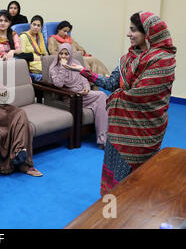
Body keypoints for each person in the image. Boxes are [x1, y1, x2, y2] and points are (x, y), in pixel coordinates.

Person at [64, 12, 176, 195]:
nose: (128, 34)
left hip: (144, 128)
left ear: (147, 33)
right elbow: (111, 83)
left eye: (133, 30)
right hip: (119, 128)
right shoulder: (128, 59)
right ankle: (112, 209)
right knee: (115, 174)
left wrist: (114, 98)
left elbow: (141, 95)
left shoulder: (163, 60)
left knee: (140, 179)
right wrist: (84, 71)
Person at [49, 43, 108, 148]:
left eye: (66, 54)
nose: (63, 56)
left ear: (70, 54)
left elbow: (84, 78)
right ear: (57, 54)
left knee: (101, 100)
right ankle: (103, 139)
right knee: (101, 97)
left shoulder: (75, 63)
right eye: (61, 54)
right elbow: (58, 84)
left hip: (84, 95)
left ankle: (102, 139)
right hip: (71, 97)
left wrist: (87, 88)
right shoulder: (54, 68)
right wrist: (63, 67)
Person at [19, 15, 48, 82]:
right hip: (31, 62)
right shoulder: (24, 36)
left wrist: (48, 60)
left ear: (41, 27)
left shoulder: (40, 35)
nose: (36, 27)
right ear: (30, 24)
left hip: (42, 60)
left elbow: (44, 52)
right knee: (49, 71)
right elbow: (21, 55)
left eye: (38, 25)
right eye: (34, 24)